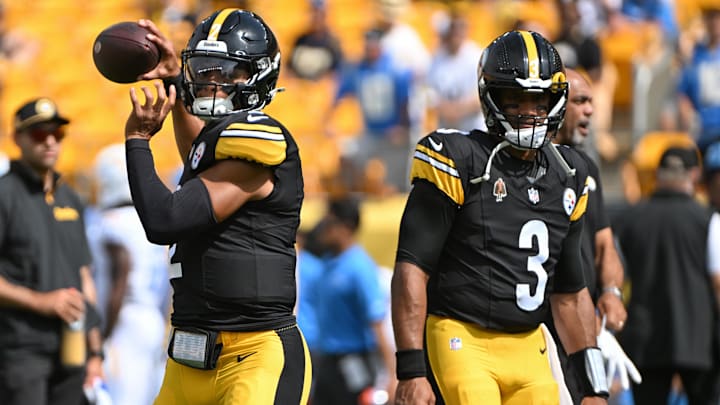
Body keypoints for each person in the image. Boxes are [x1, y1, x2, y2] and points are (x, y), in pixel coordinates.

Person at [391, 30, 609, 405]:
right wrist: (411, 370)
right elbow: (412, 267)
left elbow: (571, 295)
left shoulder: (569, 174)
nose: (528, 111)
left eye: (538, 101)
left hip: (529, 344)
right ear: (492, 97)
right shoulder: (461, 158)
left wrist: (594, 387)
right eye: (515, 98)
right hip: (463, 336)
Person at [124, 9, 311, 404]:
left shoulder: (259, 140)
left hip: (253, 356)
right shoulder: (219, 145)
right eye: (205, 71)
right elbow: (199, 157)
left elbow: (165, 219)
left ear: (259, 74)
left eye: (227, 73)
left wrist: (139, 141)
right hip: (188, 357)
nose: (213, 83)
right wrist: (175, 81)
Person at [0, 97, 104, 404]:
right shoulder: (5, 195)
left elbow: (85, 276)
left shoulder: (70, 198)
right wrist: (40, 301)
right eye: (38, 134)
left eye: (56, 134)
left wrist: (95, 351)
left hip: (72, 349)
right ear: (17, 138)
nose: (49, 141)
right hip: (20, 352)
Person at [552, 69, 641, 403]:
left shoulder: (586, 167)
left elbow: (605, 244)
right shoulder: (524, 167)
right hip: (539, 328)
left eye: (590, 101)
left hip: (583, 324)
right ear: (554, 106)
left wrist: (612, 291)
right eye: (580, 101)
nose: (590, 110)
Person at [615, 146, 720, 405]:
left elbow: (614, 277)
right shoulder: (708, 219)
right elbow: (718, 283)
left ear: (658, 174)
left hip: (644, 340)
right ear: (694, 175)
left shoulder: (629, 218)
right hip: (698, 342)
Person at [89, 143, 170, 405]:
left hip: (123, 320)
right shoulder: (150, 222)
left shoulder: (113, 222)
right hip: (151, 318)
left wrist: (104, 332)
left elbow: (121, 272)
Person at [309, 196, 396, 405]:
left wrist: (392, 375)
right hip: (327, 361)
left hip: (354, 361)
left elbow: (376, 321)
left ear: (346, 227)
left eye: (329, 224)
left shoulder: (360, 267)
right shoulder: (328, 263)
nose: (324, 229)